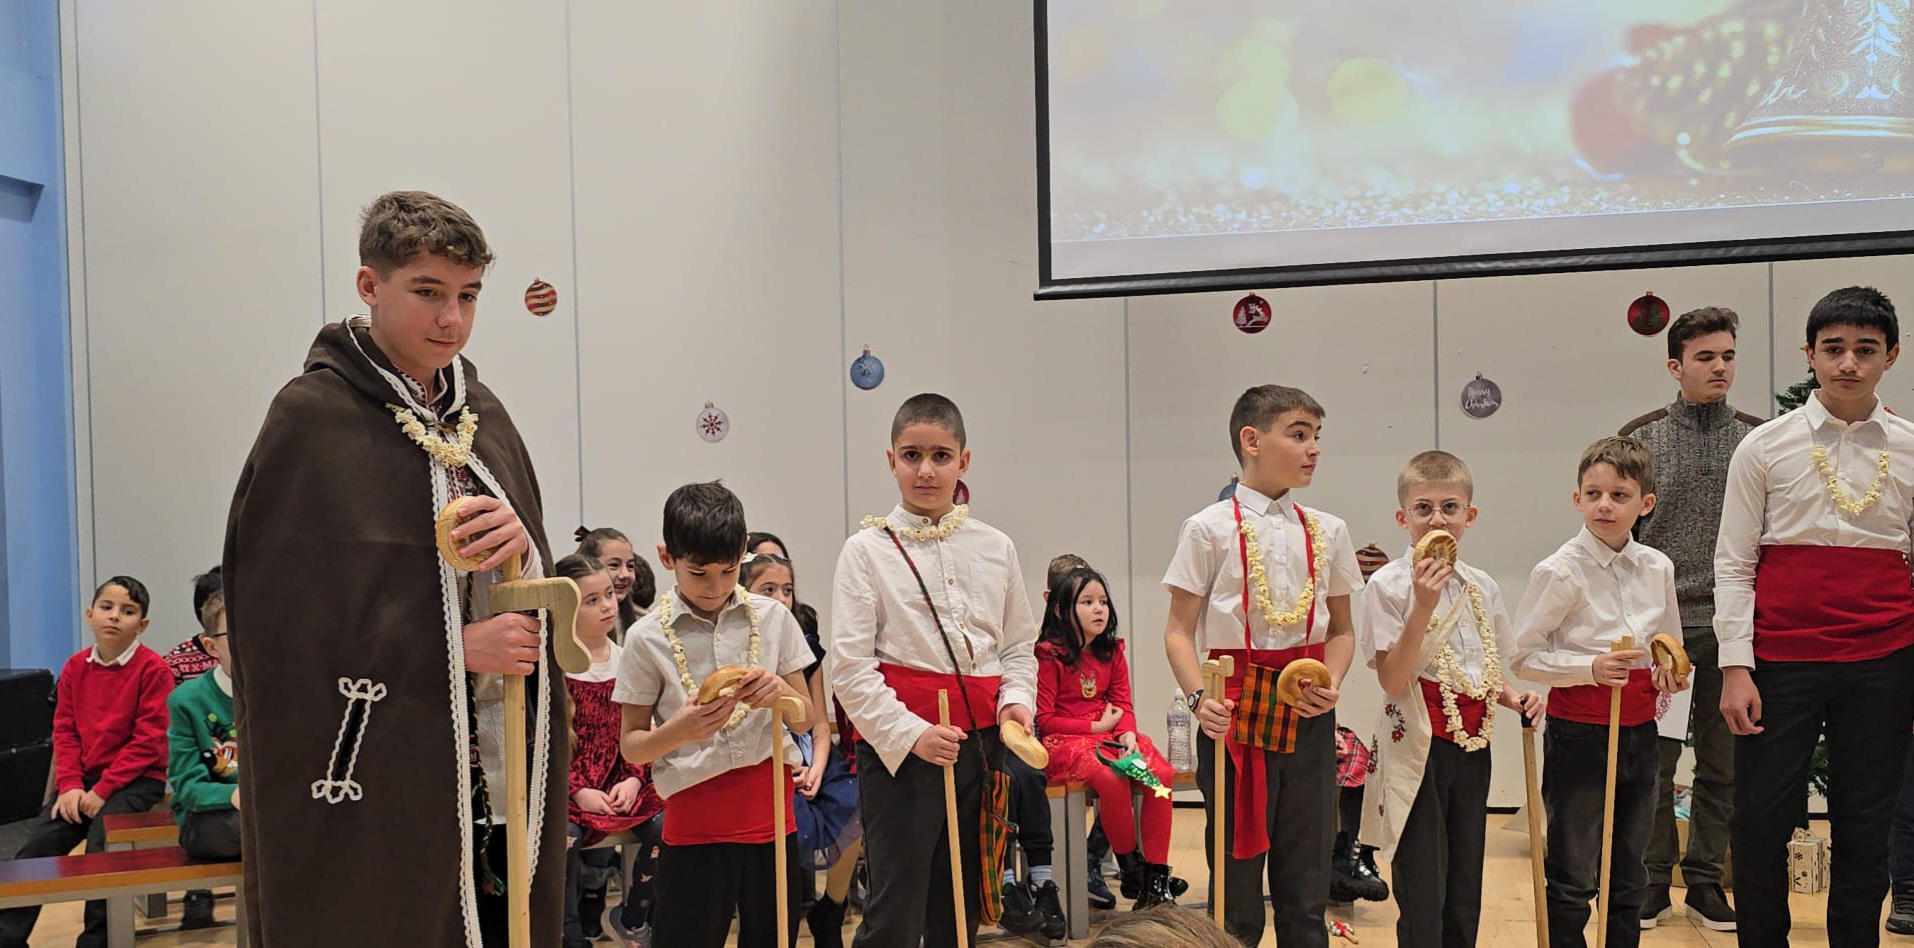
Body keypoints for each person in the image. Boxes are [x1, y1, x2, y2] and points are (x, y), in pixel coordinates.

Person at [225, 190, 566, 946]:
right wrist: (450, 651)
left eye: (468, 296)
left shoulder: (482, 414)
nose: (452, 320)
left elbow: (525, 577)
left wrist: (522, 544)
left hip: (495, 752)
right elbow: (278, 629)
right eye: (428, 292)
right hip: (379, 763)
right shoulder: (313, 419)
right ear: (369, 286)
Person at [1716, 287, 1914, 948]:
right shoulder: (1765, 447)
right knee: (1759, 821)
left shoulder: (1910, 447)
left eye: (1865, 350)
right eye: (1834, 349)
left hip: (1886, 658)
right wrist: (1736, 666)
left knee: (1866, 822)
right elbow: (1734, 563)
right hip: (1780, 659)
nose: (1848, 363)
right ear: (1810, 354)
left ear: (1891, 355)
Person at [831, 393, 1039, 948]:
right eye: (912, 455)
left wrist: (1016, 704)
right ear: (891, 460)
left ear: (963, 462)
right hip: (902, 753)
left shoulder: (996, 547)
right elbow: (849, 669)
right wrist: (912, 735)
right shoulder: (865, 551)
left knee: (962, 904)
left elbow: (1018, 646)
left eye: (941, 456)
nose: (926, 470)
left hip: (982, 745)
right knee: (895, 910)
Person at [1164, 384, 1363, 947]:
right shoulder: (1207, 527)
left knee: (1307, 878)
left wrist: (1332, 682)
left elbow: (1342, 631)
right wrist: (1199, 699)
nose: (1313, 449)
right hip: (1231, 712)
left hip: (1308, 711)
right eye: (1298, 435)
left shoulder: (1329, 530)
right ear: (1251, 440)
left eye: (1316, 436)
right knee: (1235, 888)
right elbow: (1178, 631)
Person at [615, 482, 814, 948]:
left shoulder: (773, 618)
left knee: (774, 938)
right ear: (667, 557)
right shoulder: (647, 636)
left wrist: (781, 693)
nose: (715, 586)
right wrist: (677, 731)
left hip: (772, 815)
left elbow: (806, 719)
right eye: (698, 573)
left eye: (728, 571)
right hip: (694, 822)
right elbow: (632, 746)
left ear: (743, 552)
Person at [1358, 450, 1543, 947]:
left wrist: (1514, 697)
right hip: (1418, 748)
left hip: (1474, 746)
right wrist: (1422, 606)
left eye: (1450, 507)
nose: (1437, 519)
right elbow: (1393, 679)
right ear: (1403, 518)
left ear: (1469, 515)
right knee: (1423, 882)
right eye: (1423, 508)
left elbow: (1485, 666)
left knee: (1465, 880)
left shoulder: (1482, 586)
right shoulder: (1388, 586)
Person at [1512, 436, 1689, 948]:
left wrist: (1671, 674)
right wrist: (1589, 667)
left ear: (1645, 503)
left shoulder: (1658, 567)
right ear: (1577, 499)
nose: (1605, 505)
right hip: (1580, 733)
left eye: (1619, 495)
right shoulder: (1559, 570)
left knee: (1630, 867)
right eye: (1594, 494)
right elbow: (1522, 656)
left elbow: (1669, 647)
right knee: (1574, 866)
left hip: (1641, 732)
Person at [1617, 305, 1758, 931]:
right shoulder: (1641, 439)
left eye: (1727, 355)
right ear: (1676, 366)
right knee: (1655, 763)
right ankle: (1652, 881)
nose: (1719, 367)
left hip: (1733, 629)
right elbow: (1620, 537)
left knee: (1723, 765)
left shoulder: (1758, 438)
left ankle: (1704, 883)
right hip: (1663, 630)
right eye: (1705, 357)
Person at [0, 577, 171, 948]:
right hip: (83, 782)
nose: (115, 616)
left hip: (136, 780)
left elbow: (148, 742)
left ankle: (98, 941)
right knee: (38, 845)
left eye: (128, 611)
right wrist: (71, 786)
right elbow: (65, 732)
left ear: (141, 625)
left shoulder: (154, 670)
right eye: (107, 607)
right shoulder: (76, 667)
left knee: (102, 846)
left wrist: (102, 791)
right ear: (90, 615)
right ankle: (8, 938)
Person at [1038, 566, 1180, 909]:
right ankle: (1132, 868)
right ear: (1061, 610)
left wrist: (1127, 732)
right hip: (1069, 740)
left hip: (1111, 737)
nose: (1099, 609)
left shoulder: (1112, 650)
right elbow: (1045, 720)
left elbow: (1122, 703)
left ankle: (1156, 879)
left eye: (1102, 601)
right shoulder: (1049, 654)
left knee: (1159, 776)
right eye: (1087, 602)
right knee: (1111, 777)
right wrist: (1095, 728)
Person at [553, 554, 661, 948]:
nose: (607, 606)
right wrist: (578, 790)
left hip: (621, 783)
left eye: (609, 595)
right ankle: (569, 931)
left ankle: (634, 918)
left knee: (668, 826)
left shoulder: (627, 660)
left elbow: (640, 731)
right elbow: (548, 748)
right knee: (562, 839)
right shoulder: (554, 670)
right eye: (591, 600)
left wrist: (633, 778)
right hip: (571, 793)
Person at [166, 587, 242, 930]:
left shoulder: (281, 695)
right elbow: (188, 788)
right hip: (209, 819)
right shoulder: (187, 700)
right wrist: (237, 795)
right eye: (236, 632)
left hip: (270, 815)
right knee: (271, 832)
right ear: (212, 647)